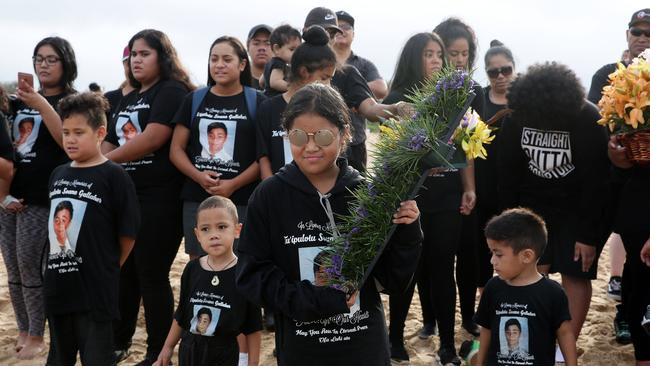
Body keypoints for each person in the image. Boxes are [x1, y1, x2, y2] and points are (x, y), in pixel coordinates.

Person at [236, 83, 423, 366]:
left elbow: (393, 281)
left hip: (364, 347)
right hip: (303, 350)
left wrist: (408, 232)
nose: (310, 147)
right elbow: (252, 277)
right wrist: (316, 301)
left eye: (322, 136)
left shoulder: (367, 193)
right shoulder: (269, 196)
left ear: (345, 133)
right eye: (298, 136)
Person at [498, 62, 610, 362]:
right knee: (531, 273)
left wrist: (588, 235)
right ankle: (535, 340)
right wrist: (510, 225)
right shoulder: (518, 116)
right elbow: (508, 175)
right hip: (530, 207)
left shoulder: (587, 117)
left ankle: (565, 348)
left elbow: (596, 181)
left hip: (576, 207)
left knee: (576, 272)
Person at [103, 29, 195, 365]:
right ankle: (119, 340)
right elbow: (111, 140)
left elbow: (154, 137)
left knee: (151, 274)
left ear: (163, 56)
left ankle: (159, 351)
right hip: (124, 195)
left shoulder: (170, 91)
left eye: (145, 54)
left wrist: (101, 163)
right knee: (123, 271)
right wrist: (99, 160)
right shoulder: (129, 97)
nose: (137, 60)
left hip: (160, 198)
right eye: (133, 54)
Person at [382, 31, 467, 365]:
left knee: (444, 270)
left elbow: (466, 145)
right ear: (414, 58)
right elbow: (390, 154)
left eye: (438, 54)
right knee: (407, 270)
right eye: (429, 54)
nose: (436, 60)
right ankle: (393, 340)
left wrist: (467, 185)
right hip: (408, 197)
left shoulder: (456, 97)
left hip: (446, 196)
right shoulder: (399, 98)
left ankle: (447, 344)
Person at [46, 92, 139, 365]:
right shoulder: (58, 173)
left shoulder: (115, 176)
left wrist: (108, 268)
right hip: (59, 287)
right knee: (59, 357)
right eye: (66, 132)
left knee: (97, 357)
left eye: (79, 132)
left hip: (96, 291)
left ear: (100, 133)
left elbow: (128, 234)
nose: (70, 139)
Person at [0, 36, 76, 360]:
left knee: (32, 266)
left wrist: (41, 104)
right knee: (14, 267)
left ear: (66, 64)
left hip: (42, 199)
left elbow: (66, 141)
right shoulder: (18, 102)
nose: (43, 65)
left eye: (51, 59)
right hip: (9, 198)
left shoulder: (72, 101)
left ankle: (36, 333)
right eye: (39, 58)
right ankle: (23, 326)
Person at [587, 8, 650, 345]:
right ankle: (626, 313)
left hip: (644, 179)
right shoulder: (606, 74)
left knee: (639, 253)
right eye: (636, 31)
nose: (641, 38)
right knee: (619, 246)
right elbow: (596, 123)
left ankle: (628, 315)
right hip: (615, 178)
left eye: (648, 33)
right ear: (627, 35)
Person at [170, 35, 262, 261]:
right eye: (214, 59)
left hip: (241, 199)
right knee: (199, 262)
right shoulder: (194, 99)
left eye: (226, 59)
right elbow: (176, 150)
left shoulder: (258, 102)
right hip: (197, 198)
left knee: (239, 264)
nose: (219, 65)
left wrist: (233, 184)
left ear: (242, 64)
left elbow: (264, 156)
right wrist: (199, 176)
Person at [302, 7, 413, 173]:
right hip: (301, 154)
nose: (326, 39)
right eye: (321, 32)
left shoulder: (347, 73)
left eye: (331, 35)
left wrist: (395, 108)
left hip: (345, 159)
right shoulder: (287, 73)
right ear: (305, 32)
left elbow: (370, 108)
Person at [154, 196, 262, 366]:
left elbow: (253, 326)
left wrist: (253, 363)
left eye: (221, 227)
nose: (213, 235)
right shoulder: (192, 269)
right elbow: (181, 314)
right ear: (197, 234)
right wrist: (167, 347)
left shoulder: (245, 273)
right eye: (205, 229)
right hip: (190, 351)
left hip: (224, 354)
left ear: (237, 230)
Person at [434, 17, 485, 341]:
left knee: (468, 255)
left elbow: (471, 141)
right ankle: (432, 323)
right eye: (452, 52)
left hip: (461, 183)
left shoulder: (474, 91)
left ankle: (469, 317)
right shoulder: (429, 89)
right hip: (431, 186)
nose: (459, 60)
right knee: (436, 262)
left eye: (464, 53)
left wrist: (470, 188)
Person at [473, 208, 577, 366]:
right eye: (491, 253)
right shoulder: (493, 287)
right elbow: (486, 329)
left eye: (498, 254)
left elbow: (564, 332)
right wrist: (480, 362)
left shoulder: (552, 292)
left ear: (526, 256)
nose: (492, 261)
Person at [258, 25, 338, 177]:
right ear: (303, 72)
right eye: (324, 78)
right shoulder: (268, 108)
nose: (328, 86)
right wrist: (271, 191)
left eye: (330, 79)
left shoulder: (330, 109)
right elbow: (263, 158)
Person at [474, 40, 516, 293]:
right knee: (482, 249)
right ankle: (484, 303)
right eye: (493, 72)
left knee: (512, 246)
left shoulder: (525, 101)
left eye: (506, 70)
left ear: (514, 69)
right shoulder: (479, 99)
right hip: (482, 184)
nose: (500, 76)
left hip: (514, 186)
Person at [333, 10, 388, 173]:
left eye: (346, 26)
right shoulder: (322, 62)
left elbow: (381, 89)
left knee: (356, 193)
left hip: (355, 143)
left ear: (354, 34)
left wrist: (350, 87)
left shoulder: (364, 64)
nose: (342, 30)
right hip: (325, 140)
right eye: (337, 27)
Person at [260, 24, 301, 97]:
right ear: (277, 49)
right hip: (275, 99)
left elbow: (261, 81)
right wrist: (293, 88)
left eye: (298, 49)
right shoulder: (279, 64)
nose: (296, 53)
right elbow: (275, 82)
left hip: (266, 97)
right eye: (292, 49)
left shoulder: (270, 62)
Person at [105, 46, 137, 121]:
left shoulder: (153, 95)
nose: (134, 66)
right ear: (123, 64)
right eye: (129, 62)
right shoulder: (109, 98)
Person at [246, 24, 273, 90]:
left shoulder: (289, 78)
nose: (262, 48)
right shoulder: (238, 80)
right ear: (247, 47)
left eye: (268, 44)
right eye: (256, 43)